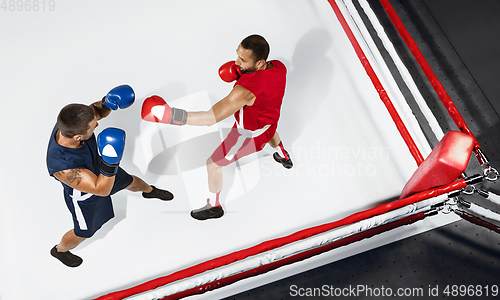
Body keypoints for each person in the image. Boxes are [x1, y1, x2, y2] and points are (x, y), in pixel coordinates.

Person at [141, 34, 292, 221]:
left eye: (243, 60)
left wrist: (169, 116)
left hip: (248, 136)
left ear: (260, 63)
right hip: (271, 121)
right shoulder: (279, 66)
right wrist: (246, 70)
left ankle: (214, 206)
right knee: (271, 132)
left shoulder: (244, 91)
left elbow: (208, 119)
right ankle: (284, 155)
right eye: (237, 55)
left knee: (212, 164)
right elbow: (263, 85)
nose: (236, 63)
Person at [46, 85, 174, 267]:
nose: (97, 124)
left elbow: (96, 111)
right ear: (77, 137)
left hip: (98, 168)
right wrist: (110, 161)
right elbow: (102, 190)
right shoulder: (63, 167)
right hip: (86, 194)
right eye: (92, 127)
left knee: (130, 180)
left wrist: (107, 103)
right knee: (84, 231)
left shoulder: (71, 121)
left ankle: (149, 191)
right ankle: (60, 250)